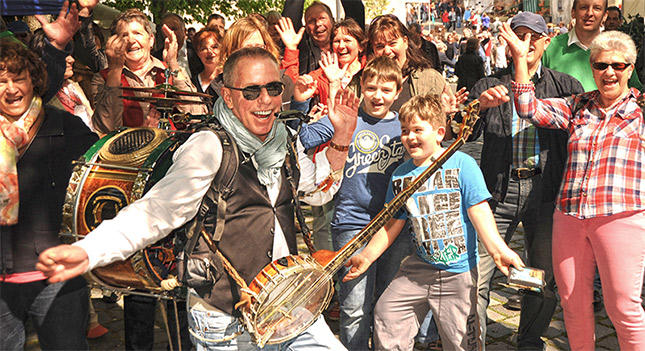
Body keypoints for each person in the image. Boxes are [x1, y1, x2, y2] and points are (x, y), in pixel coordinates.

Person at [37, 46, 358, 351]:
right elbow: (155, 213)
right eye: (251, 91)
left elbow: (316, 191)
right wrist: (87, 251)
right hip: (225, 316)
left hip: (287, 301)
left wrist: (341, 138)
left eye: (274, 89)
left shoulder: (283, 140)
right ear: (229, 98)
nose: (266, 100)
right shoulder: (208, 146)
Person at [500, 25, 645, 350]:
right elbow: (528, 107)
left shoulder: (641, 112)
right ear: (591, 67)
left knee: (623, 308)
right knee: (573, 306)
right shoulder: (578, 105)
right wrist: (521, 60)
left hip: (621, 219)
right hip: (569, 218)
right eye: (601, 65)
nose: (609, 72)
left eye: (617, 65)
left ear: (630, 68)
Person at [343, 93, 524, 351]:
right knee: (386, 312)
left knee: (462, 341)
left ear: (439, 132)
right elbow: (392, 223)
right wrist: (368, 256)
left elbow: (480, 212)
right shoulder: (401, 175)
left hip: (458, 273)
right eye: (405, 130)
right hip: (419, 268)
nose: (410, 137)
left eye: (418, 129)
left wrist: (499, 250)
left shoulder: (462, 164)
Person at [468, 12, 584, 351]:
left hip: (547, 190)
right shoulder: (489, 85)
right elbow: (463, 135)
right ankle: (473, 339)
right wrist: (477, 108)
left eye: (534, 36)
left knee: (542, 275)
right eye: (518, 35)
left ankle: (530, 338)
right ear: (506, 40)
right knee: (477, 274)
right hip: (497, 190)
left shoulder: (566, 86)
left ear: (545, 42)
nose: (526, 43)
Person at [0, 32, 98, 351]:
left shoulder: (65, 127)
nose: (11, 89)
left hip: (60, 277)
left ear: (34, 81)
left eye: (19, 78)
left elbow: (100, 171)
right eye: (2, 81)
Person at [91, 9, 207, 134]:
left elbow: (198, 116)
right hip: (127, 151)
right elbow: (105, 129)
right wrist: (114, 70)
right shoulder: (103, 78)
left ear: (151, 40)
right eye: (124, 35)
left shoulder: (170, 72)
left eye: (137, 33)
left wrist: (173, 63)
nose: (131, 40)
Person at [542, 0, 642, 92]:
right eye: (584, 7)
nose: (590, 13)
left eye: (597, 8)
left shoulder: (617, 49)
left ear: (604, 15)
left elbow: (635, 91)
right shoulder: (549, 48)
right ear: (573, 12)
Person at [152, 13, 203, 78]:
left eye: (174, 28)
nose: (171, 33)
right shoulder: (157, 58)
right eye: (166, 30)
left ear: (184, 31)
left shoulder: (197, 51)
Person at [190, 27, 223, 97]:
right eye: (203, 48)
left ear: (222, 50)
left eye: (214, 47)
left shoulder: (229, 78)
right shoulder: (193, 83)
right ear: (198, 53)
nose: (209, 52)